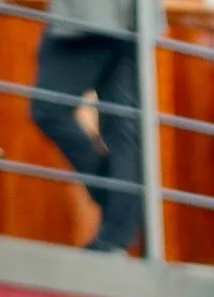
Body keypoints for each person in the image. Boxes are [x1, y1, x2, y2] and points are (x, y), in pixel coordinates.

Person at [28, 0, 141, 253]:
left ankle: (119, 205)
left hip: (92, 14)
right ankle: (118, 228)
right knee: (123, 127)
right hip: (136, 15)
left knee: (48, 110)